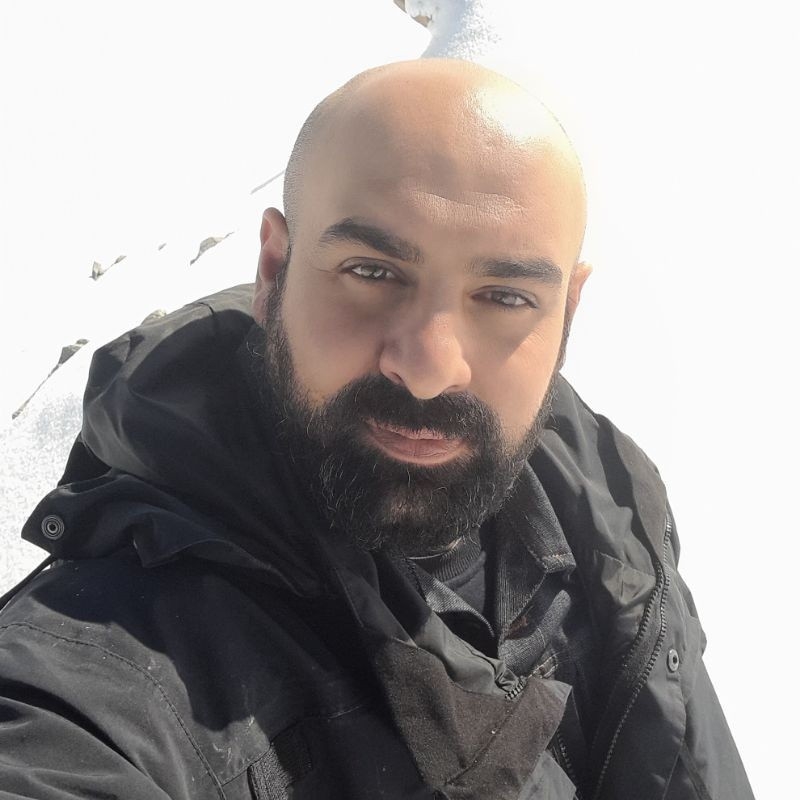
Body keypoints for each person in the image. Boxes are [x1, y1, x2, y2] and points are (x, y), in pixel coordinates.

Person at [0, 58, 752, 799]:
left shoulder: (607, 509)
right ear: (273, 269)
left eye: (504, 296)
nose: (428, 369)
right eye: (371, 272)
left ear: (567, 311)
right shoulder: (109, 668)